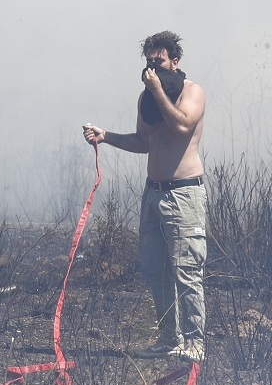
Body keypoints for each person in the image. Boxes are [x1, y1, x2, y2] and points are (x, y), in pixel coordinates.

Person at [82, 30, 207, 362]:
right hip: (153, 194)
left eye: (160, 60)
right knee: (155, 269)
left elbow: (181, 125)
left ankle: (195, 343)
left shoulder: (193, 93)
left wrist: (156, 91)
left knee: (186, 270)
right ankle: (169, 339)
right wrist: (105, 136)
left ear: (175, 61)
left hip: (184, 195)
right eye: (149, 61)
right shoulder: (147, 99)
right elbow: (143, 141)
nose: (153, 67)